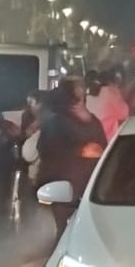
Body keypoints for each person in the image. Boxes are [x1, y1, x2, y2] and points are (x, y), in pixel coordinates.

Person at [34, 80, 106, 237]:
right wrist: (81, 150)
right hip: (62, 190)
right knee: (63, 235)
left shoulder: (92, 120)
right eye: (77, 92)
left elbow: (103, 148)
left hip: (90, 190)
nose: (81, 96)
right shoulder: (56, 120)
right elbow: (48, 148)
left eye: (82, 91)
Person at [85, 71, 129, 139]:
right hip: (109, 138)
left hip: (94, 137)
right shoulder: (109, 93)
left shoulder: (88, 94)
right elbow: (124, 113)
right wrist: (117, 93)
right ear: (111, 82)